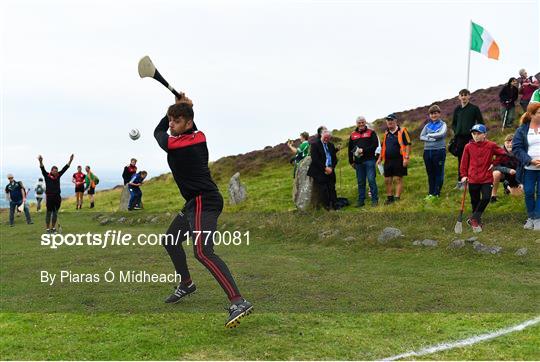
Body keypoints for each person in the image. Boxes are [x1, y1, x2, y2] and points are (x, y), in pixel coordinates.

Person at [154, 94, 252, 328]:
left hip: (203, 201)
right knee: (171, 240)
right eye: (170, 120)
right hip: (194, 202)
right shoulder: (198, 135)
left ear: (188, 123)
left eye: (176, 121)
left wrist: (182, 108)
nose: (170, 124)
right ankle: (186, 284)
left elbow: (158, 134)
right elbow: (174, 125)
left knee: (203, 252)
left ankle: (238, 301)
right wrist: (183, 107)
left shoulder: (178, 143)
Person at [459, 125, 506, 233]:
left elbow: (503, 154)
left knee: (485, 198)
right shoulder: (468, 147)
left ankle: (473, 219)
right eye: (474, 134)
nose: (476, 136)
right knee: (474, 201)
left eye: (478, 133)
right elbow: (464, 162)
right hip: (473, 178)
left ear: (484, 134)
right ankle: (477, 223)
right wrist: (463, 176)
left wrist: (494, 163)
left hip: (486, 178)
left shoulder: (491, 145)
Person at [511, 102, 540, 230]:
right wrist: (530, 161)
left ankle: (537, 219)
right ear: (532, 114)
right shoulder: (521, 130)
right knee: (528, 192)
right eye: (539, 113)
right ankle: (531, 217)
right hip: (528, 169)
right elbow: (516, 148)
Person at [452, 89, 484, 189]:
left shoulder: (474, 108)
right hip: (459, 138)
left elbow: (480, 122)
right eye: (461, 95)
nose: (463, 97)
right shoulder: (457, 109)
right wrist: (456, 131)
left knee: (470, 159)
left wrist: (475, 133)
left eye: (465, 95)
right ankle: (460, 181)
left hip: (470, 138)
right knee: (460, 160)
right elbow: (454, 123)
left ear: (469, 96)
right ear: (459, 97)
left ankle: (470, 181)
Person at [377, 113, 411, 205]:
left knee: (398, 179)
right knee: (387, 180)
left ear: (396, 121)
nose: (390, 122)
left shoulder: (403, 131)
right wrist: (380, 158)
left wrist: (406, 158)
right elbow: (383, 146)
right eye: (388, 120)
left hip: (399, 159)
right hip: (387, 160)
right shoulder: (386, 133)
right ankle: (390, 198)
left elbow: (408, 144)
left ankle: (397, 198)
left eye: (391, 120)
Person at [348, 116, 379, 207]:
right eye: (359, 123)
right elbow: (350, 149)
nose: (361, 124)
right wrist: (351, 161)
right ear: (356, 124)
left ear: (365, 123)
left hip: (369, 160)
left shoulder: (371, 132)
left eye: (362, 122)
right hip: (358, 162)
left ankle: (374, 200)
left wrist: (363, 150)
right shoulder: (353, 135)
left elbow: (375, 145)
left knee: (371, 180)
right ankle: (361, 201)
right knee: (361, 182)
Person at [38, 154, 73, 233]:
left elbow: (65, 168)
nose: (56, 172)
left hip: (57, 197)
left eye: (57, 171)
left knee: (55, 213)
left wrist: (70, 160)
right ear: (51, 171)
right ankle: (47, 228)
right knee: (49, 213)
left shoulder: (58, 175)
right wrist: (40, 161)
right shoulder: (47, 175)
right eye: (54, 171)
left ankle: (53, 228)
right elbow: (42, 168)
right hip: (50, 197)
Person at [420, 105, 447, 200]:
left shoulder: (443, 124)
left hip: (439, 151)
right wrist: (432, 138)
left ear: (439, 114)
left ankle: (437, 193)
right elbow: (421, 136)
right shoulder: (427, 125)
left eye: (435, 113)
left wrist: (428, 135)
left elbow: (441, 134)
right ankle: (431, 193)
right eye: (431, 113)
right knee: (430, 173)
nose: (433, 115)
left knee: (438, 172)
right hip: (427, 151)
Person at [307, 126, 338, 210]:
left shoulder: (331, 145)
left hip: (330, 170)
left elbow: (335, 159)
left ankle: (335, 205)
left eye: (328, 138)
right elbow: (315, 159)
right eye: (325, 138)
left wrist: (331, 168)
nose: (326, 140)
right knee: (323, 189)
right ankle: (327, 206)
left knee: (332, 188)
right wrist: (325, 168)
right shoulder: (315, 145)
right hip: (319, 171)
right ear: (321, 136)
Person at [491, 133, 522, 202]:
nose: (510, 144)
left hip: (515, 176)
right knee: (496, 173)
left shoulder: (520, 152)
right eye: (508, 142)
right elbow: (495, 166)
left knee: (518, 195)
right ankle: (493, 196)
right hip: (503, 174)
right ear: (504, 143)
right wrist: (508, 170)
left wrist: (521, 183)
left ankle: (507, 187)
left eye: (512, 142)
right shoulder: (499, 152)